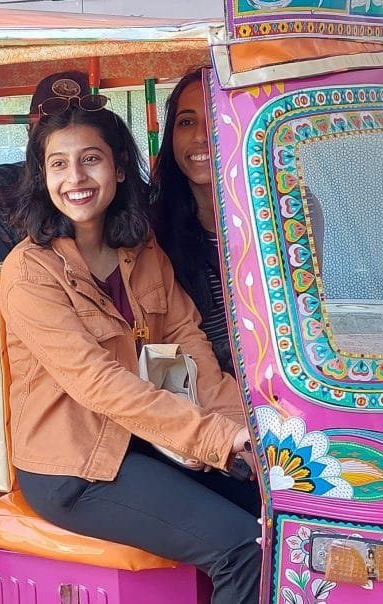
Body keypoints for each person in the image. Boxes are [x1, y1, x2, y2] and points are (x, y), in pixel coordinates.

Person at [0, 100, 260, 604]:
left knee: (278, 508)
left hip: (143, 436)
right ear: (42, 176)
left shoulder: (137, 249)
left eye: (90, 159)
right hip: (74, 463)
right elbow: (97, 385)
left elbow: (184, 340)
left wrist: (245, 429)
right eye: (58, 164)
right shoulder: (31, 271)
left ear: (118, 168)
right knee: (238, 549)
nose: (75, 177)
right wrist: (213, 440)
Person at [151, 69, 234, 375]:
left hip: (274, 386)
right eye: (186, 122)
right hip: (195, 393)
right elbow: (164, 344)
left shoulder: (286, 207)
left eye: (216, 116)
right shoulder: (149, 226)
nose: (201, 135)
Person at [0, 71, 91, 265]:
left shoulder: (115, 187)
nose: (65, 132)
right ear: (29, 130)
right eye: (50, 125)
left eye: (78, 122)